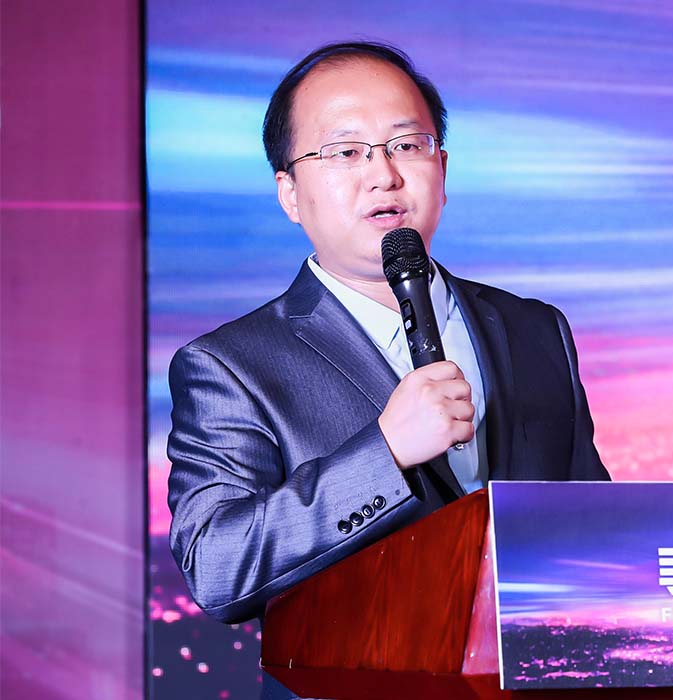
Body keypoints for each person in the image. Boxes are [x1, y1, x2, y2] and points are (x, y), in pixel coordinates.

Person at [166, 41, 610, 699]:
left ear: (442, 169)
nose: (383, 174)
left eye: (406, 145)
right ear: (290, 193)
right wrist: (385, 453)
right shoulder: (231, 366)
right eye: (345, 152)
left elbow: (591, 525)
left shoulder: (534, 329)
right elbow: (218, 568)